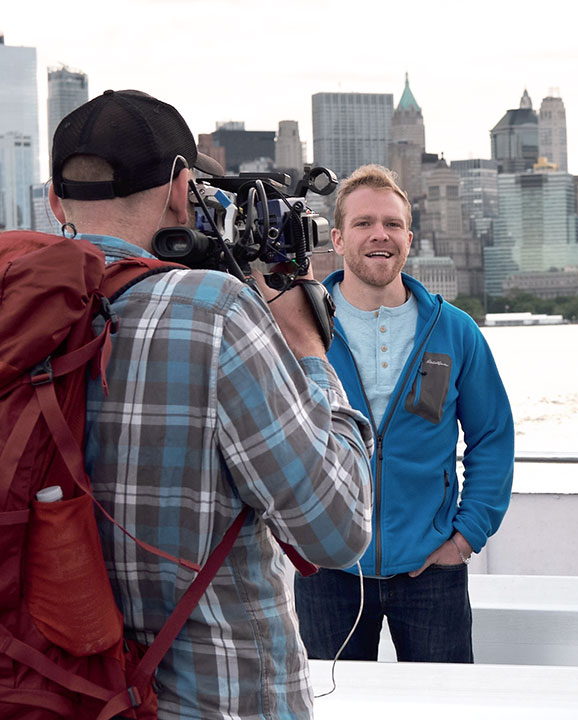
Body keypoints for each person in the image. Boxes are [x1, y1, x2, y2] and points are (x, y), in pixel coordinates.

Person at [47, 90, 373, 718]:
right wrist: (308, 350)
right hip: (219, 699)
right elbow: (338, 531)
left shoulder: (18, 317)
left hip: (63, 694)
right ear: (180, 188)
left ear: (55, 200)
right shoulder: (215, 314)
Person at [295, 164, 515, 663]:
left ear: (409, 238)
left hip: (431, 569)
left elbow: (493, 438)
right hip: (328, 568)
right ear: (337, 238)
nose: (380, 234)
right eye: (364, 223)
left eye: (392, 224)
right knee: (335, 712)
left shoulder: (454, 331)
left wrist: (464, 538)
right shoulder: (301, 328)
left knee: (447, 709)